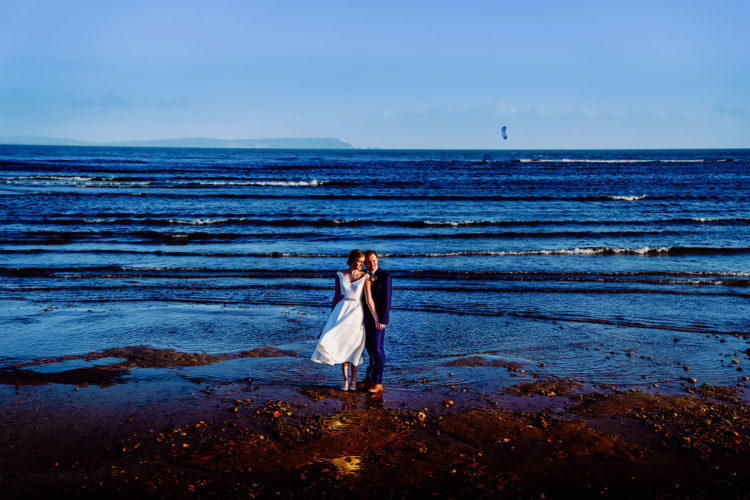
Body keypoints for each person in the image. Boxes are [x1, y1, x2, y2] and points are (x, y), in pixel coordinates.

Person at [311, 249, 380, 391]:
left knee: (354, 347)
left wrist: (376, 318)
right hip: (341, 311)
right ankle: (346, 381)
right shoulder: (340, 275)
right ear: (351, 260)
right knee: (342, 345)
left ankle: (354, 381)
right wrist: (331, 318)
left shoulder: (365, 276)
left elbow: (369, 300)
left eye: (362, 262)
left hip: (357, 314)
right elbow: (336, 297)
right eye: (358, 261)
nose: (361, 264)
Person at [357, 250, 392, 394]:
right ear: (365, 263)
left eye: (374, 260)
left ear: (377, 260)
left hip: (379, 321)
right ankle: (369, 378)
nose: (372, 264)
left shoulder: (385, 277)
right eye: (368, 262)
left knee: (377, 349)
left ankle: (378, 382)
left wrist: (383, 320)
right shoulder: (363, 276)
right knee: (369, 349)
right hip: (364, 318)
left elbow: (387, 300)